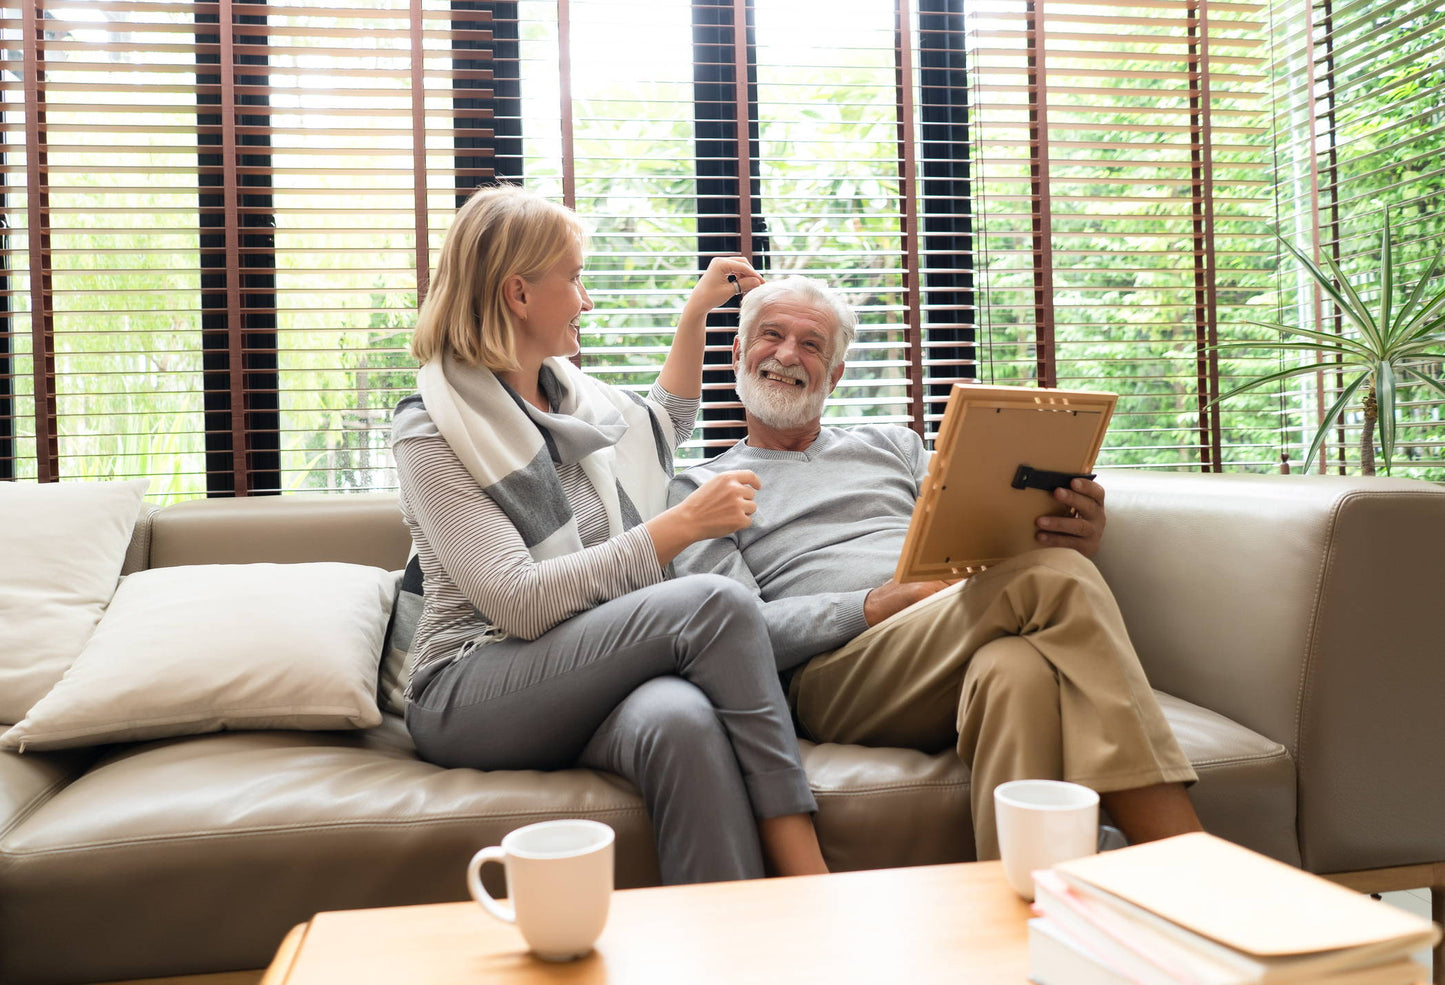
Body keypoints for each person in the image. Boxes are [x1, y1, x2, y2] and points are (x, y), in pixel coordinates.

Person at [667, 275, 1203, 861]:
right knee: (1056, 577)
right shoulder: (700, 488)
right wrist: (877, 603)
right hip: (837, 675)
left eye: (813, 345)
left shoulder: (893, 446)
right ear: (738, 353)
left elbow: (978, 527)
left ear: (835, 374)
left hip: (945, 642)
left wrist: (1067, 526)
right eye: (771, 336)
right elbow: (735, 635)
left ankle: (1016, 907)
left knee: (1015, 670)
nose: (789, 355)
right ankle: (1179, 861)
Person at [390, 186, 827, 885]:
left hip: (573, 668)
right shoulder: (431, 427)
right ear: (518, 294)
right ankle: (808, 877)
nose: (585, 299)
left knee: (680, 719)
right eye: (572, 277)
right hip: (469, 687)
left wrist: (696, 313)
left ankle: (734, 946)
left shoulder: (567, 398)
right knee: (713, 602)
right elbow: (517, 601)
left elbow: (660, 425)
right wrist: (677, 527)